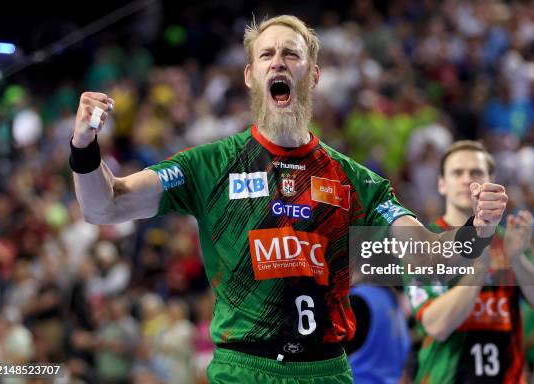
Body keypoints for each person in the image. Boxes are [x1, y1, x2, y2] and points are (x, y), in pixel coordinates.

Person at [69, 16, 508, 383]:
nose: (278, 61)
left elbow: (431, 258)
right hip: (243, 369)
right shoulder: (211, 164)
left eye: (291, 54)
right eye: (266, 55)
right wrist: (84, 144)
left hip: (326, 371)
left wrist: (478, 232)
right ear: (250, 75)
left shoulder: (354, 180)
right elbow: (103, 206)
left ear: (312, 74)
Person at [405, 140, 534, 383]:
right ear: (441, 184)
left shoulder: (512, 238)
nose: (467, 179)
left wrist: (518, 260)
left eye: (476, 172)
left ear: (492, 179)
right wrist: (478, 265)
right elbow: (436, 325)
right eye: (457, 172)